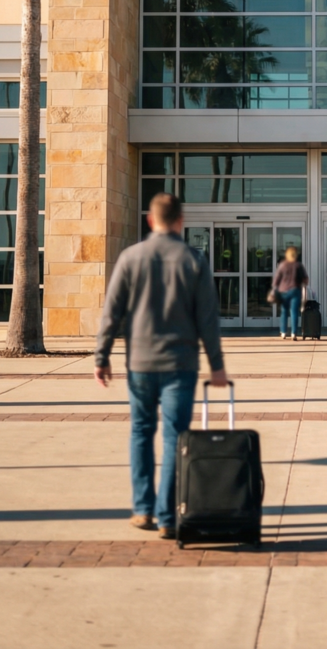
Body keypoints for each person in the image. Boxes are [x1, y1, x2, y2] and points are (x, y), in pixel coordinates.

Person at [94, 192, 228, 540]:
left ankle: (142, 509)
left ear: (151, 221)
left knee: (140, 432)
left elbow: (112, 312)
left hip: (139, 363)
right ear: (181, 221)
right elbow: (207, 318)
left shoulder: (130, 258)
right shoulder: (193, 260)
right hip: (180, 364)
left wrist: (102, 356)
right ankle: (168, 516)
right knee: (174, 438)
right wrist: (216, 365)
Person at [271, 244, 308, 340]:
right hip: (295, 290)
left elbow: (276, 280)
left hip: (283, 291)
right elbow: (305, 279)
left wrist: (275, 289)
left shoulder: (282, 265)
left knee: (284, 312)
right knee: (294, 312)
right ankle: (294, 333)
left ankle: (283, 332)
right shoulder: (298, 265)